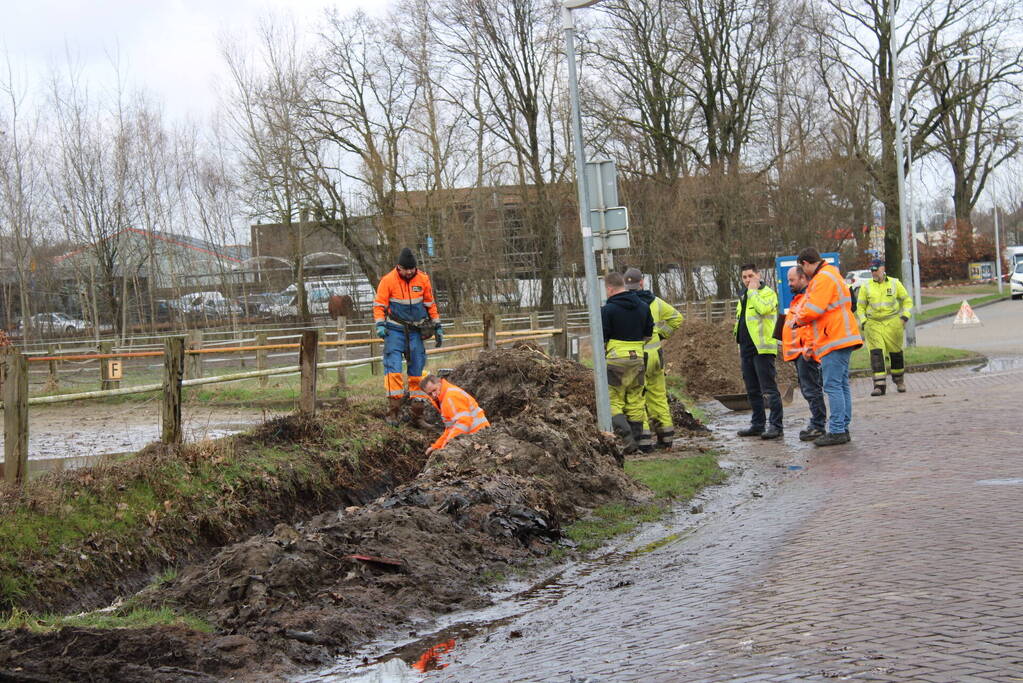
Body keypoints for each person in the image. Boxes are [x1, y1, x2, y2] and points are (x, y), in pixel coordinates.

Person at [793, 247, 862, 446]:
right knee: (841, 384)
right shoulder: (832, 274)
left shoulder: (822, 279)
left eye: (802, 268)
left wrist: (798, 319)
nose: (803, 273)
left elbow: (814, 310)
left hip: (834, 338)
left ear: (805, 263)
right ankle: (842, 427)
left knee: (833, 386)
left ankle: (838, 430)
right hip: (842, 336)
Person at [373, 247, 443, 426]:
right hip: (394, 330)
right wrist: (380, 324)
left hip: (415, 331)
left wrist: (437, 325)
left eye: (413, 269)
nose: (410, 272)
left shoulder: (423, 279)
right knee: (393, 370)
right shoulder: (388, 280)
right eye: (407, 269)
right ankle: (392, 413)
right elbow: (379, 305)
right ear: (399, 267)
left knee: (417, 373)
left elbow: (430, 304)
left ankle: (418, 415)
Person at [624, 267, 684, 450]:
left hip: (636, 357)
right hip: (656, 356)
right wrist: (662, 335)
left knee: (636, 398)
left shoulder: (624, 304)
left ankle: (643, 442)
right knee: (658, 397)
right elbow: (677, 319)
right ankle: (666, 439)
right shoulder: (656, 302)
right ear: (642, 282)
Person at [601, 271, 655, 453]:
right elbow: (648, 334)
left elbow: (602, 338)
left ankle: (628, 442)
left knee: (614, 400)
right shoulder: (643, 306)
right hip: (638, 357)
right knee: (635, 399)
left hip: (616, 359)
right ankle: (640, 442)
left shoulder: (608, 310)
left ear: (609, 289)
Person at [733, 263, 783, 440]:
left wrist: (753, 291)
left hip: (763, 349)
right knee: (752, 389)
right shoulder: (743, 296)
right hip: (746, 348)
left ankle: (776, 425)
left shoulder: (768, 293)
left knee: (768, 389)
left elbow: (762, 309)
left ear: (758, 275)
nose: (747, 280)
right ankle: (758, 424)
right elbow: (742, 321)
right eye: (744, 277)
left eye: (750, 276)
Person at [782, 266, 827, 442]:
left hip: (805, 352)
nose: (789, 284)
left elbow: (809, 325)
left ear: (802, 278)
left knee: (811, 389)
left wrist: (808, 347)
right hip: (800, 352)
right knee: (809, 389)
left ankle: (818, 425)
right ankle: (816, 423)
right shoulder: (799, 299)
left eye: (792, 280)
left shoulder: (807, 298)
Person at [856, 259, 913, 396]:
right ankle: (879, 385)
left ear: (883, 269)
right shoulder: (866, 286)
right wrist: (864, 322)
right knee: (876, 354)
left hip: (893, 323)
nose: (874, 272)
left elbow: (907, 300)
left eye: (876, 269)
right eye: (872, 270)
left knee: (896, 353)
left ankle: (899, 381)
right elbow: (860, 307)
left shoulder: (894, 283)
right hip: (873, 324)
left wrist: (904, 317)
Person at [420, 374, 490, 454]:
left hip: (480, 436)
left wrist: (447, 445)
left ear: (439, 384)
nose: (433, 395)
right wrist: (437, 446)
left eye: (434, 390)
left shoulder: (450, 397)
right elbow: (451, 428)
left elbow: (463, 423)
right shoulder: (444, 398)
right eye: (429, 394)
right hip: (474, 436)